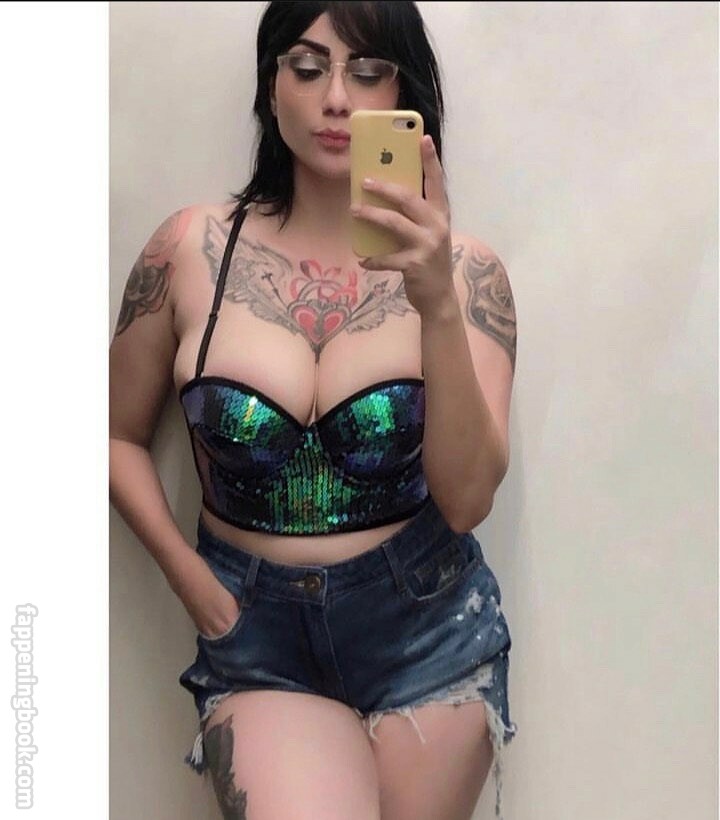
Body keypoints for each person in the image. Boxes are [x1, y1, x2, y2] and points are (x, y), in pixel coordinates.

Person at [109, 1, 518, 818]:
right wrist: (191, 582)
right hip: (253, 635)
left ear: (403, 96)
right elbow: (114, 434)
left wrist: (436, 303)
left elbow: (468, 500)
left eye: (366, 72)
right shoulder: (187, 251)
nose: (336, 98)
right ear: (271, 86)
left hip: (429, 629)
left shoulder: (468, 275)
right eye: (307, 67)